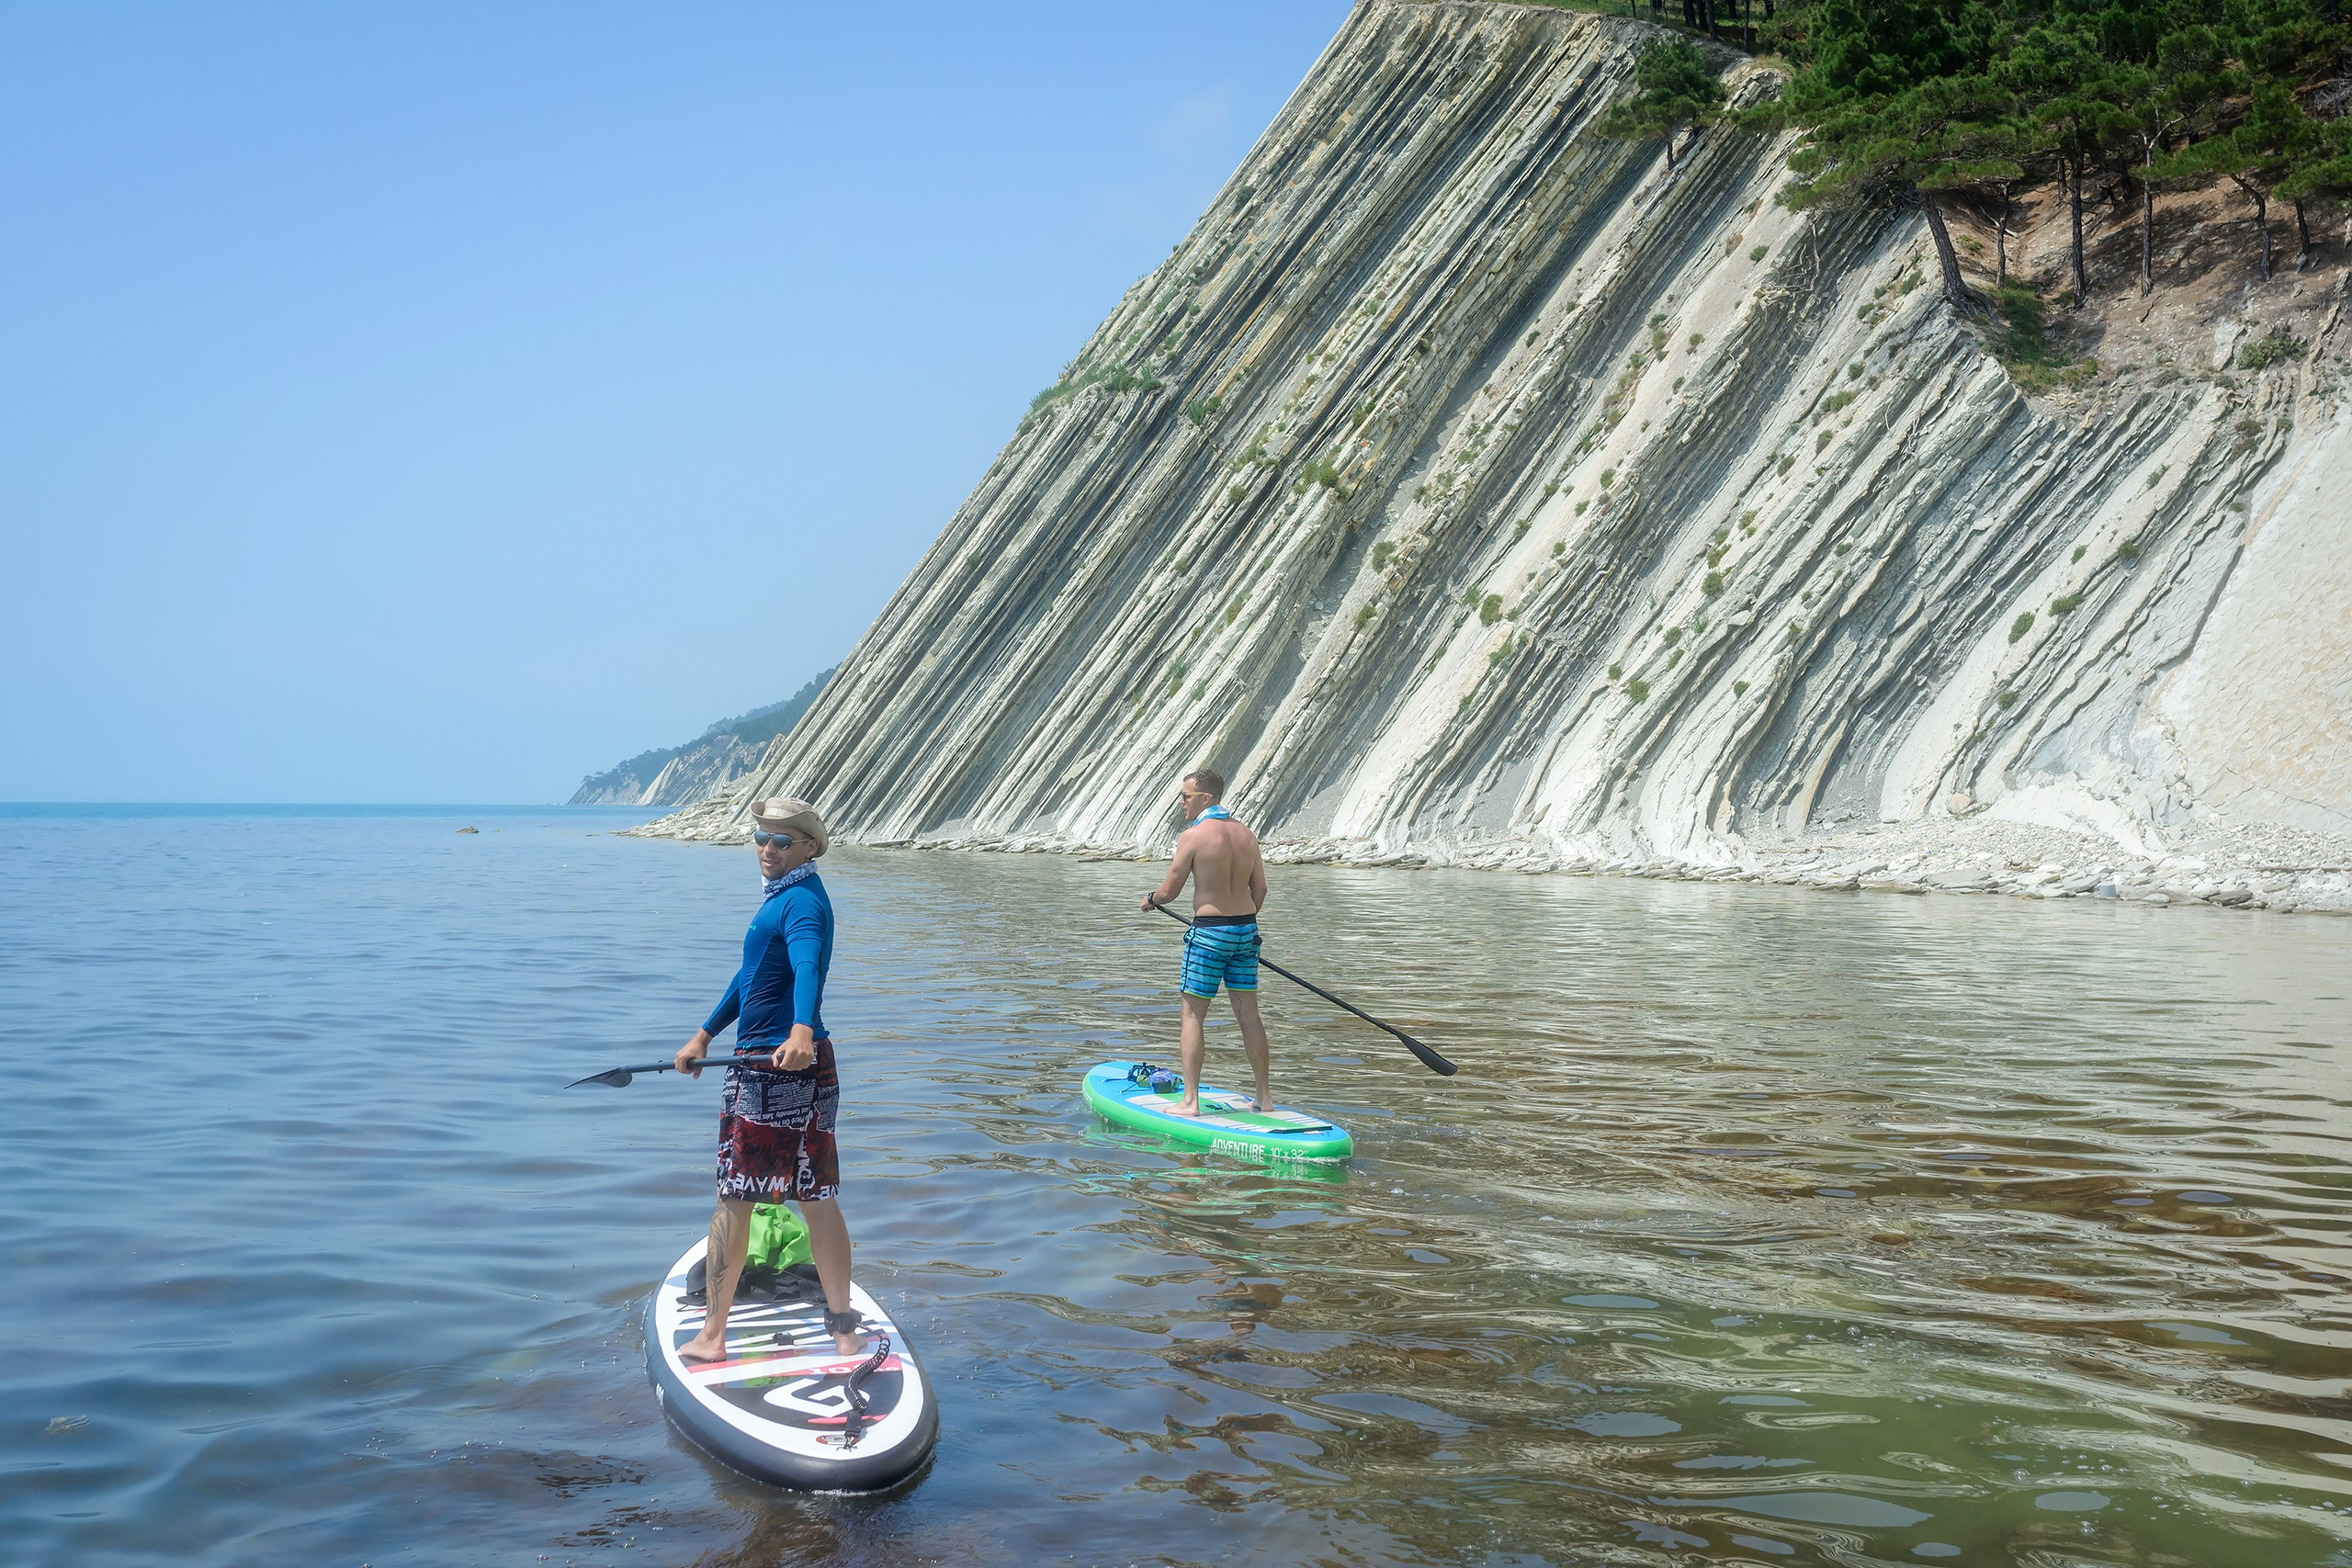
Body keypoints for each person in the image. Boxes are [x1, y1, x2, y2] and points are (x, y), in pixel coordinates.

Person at [673, 797, 866, 1362]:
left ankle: (712, 1337)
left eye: (782, 841)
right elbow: (752, 975)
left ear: (809, 847)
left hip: (772, 1065)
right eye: (761, 837)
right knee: (816, 1195)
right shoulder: (788, 897)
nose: (767, 848)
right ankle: (844, 1332)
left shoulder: (799, 903)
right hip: (807, 1062)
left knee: (735, 1197)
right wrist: (706, 1034)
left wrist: (800, 1027)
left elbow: (807, 965)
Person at [1139, 768, 1274, 1115]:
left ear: (1206, 798)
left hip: (1210, 932)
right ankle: (1263, 1097)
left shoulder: (1194, 836)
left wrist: (1151, 899)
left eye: (1186, 796)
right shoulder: (1246, 834)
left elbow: (1170, 891)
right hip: (1246, 931)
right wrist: (1240, 922)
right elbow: (1260, 889)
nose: (1181, 802)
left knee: (1192, 1016)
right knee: (1249, 1013)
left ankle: (1190, 1101)